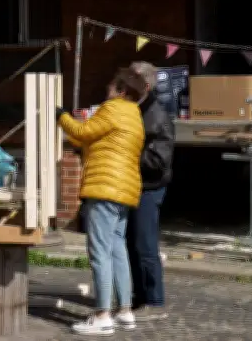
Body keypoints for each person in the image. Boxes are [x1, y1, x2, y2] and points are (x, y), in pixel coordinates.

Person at [56, 67, 146, 336]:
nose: (106, 90)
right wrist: (75, 133)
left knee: (99, 253)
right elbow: (93, 138)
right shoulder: (134, 116)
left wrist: (61, 116)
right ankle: (125, 311)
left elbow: (84, 132)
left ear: (121, 91)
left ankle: (102, 315)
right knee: (117, 249)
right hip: (125, 190)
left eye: (110, 86)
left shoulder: (112, 108)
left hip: (104, 187)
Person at [128, 62, 174, 321]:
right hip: (133, 185)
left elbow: (158, 161)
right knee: (130, 244)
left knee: (145, 245)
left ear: (145, 86)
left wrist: (128, 153)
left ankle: (154, 301)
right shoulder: (134, 110)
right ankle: (138, 297)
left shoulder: (156, 116)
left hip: (149, 188)